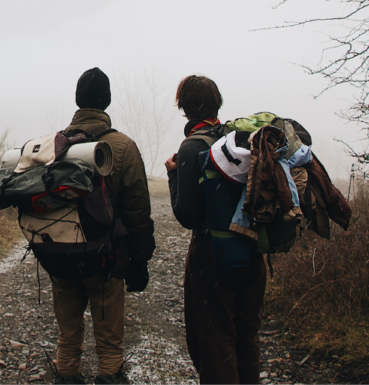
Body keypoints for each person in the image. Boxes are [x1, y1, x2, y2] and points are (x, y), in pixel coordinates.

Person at [52, 67, 156, 385]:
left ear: (77, 100)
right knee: (109, 344)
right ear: (107, 102)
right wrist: (139, 261)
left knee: (67, 338)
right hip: (104, 261)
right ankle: (110, 377)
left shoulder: (54, 145)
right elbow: (138, 212)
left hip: (60, 258)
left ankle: (66, 376)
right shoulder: (122, 147)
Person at [165, 75, 266, 384]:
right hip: (252, 249)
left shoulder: (192, 146)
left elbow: (187, 215)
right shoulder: (239, 139)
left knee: (214, 340)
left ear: (185, 109)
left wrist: (173, 175)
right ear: (215, 104)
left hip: (212, 256)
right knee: (246, 336)